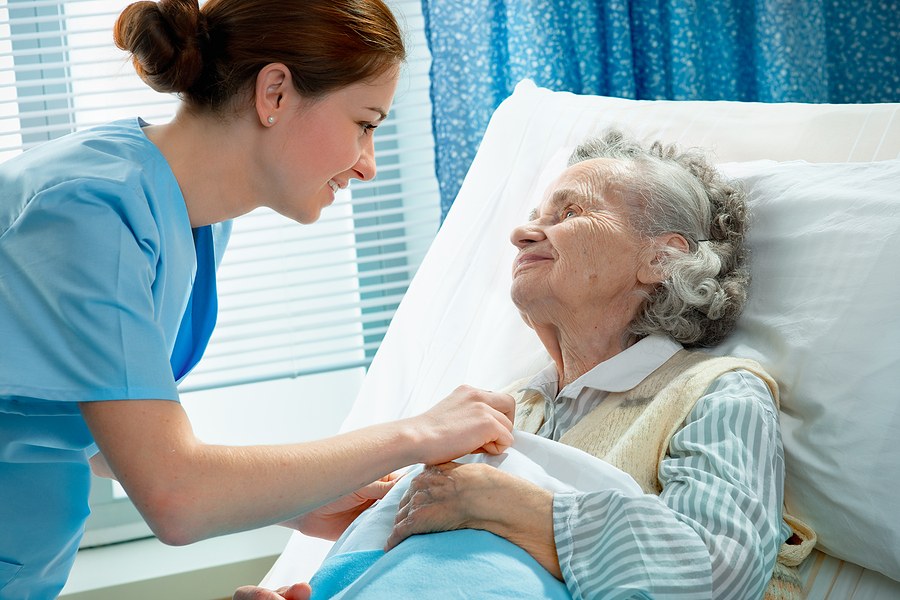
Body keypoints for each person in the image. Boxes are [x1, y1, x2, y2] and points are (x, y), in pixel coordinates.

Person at [0, 1, 516, 598]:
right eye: (365, 124)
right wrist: (418, 434)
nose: (369, 165)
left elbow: (76, 426)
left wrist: (298, 504)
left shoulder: (185, 215)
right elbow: (176, 499)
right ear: (274, 93)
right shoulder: (91, 213)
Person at [236, 131, 814, 600]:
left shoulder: (715, 394)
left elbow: (717, 570)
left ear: (662, 258)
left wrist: (506, 503)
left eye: (571, 212)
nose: (520, 232)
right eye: (537, 212)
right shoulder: (510, 405)